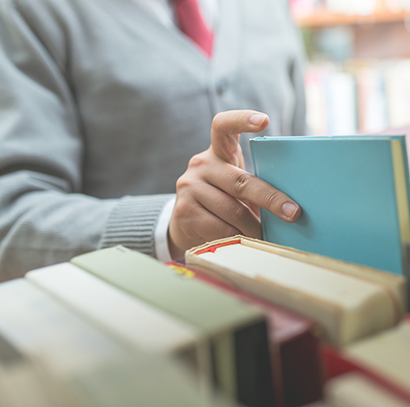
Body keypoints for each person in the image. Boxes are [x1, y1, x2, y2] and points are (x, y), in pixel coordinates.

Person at [0, 0, 305, 281]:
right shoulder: (31, 10)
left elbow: (302, 147)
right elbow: (11, 220)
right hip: (135, 322)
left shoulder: (271, 6)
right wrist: (166, 227)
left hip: (296, 309)